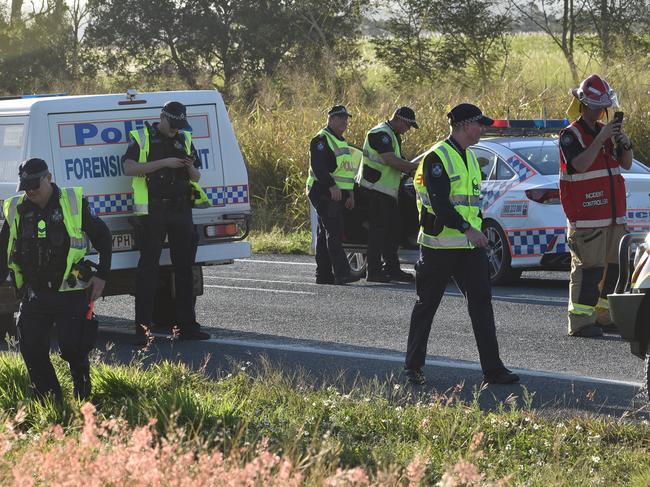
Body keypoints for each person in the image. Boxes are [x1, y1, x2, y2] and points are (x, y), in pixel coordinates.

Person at [403, 103, 519, 386]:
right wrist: (469, 230)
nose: (482, 129)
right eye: (479, 124)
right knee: (426, 306)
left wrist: (475, 230)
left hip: (469, 249)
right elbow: (441, 205)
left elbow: (470, 204)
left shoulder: (469, 157)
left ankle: (493, 370)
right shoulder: (437, 158)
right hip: (439, 247)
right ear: (465, 125)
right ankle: (413, 367)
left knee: (482, 304)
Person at [0, 158, 112, 401]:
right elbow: (2, 250)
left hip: (70, 289)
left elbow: (104, 238)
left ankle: (82, 389)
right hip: (34, 292)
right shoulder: (16, 209)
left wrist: (102, 275)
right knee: (31, 348)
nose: (30, 191)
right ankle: (50, 400)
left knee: (73, 347)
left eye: (34, 185)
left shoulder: (71, 204)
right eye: (25, 186)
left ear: (48, 178)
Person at [124, 101, 211, 340]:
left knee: (184, 269)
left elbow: (196, 176)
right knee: (148, 271)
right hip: (154, 210)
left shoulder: (184, 139)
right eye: (172, 125)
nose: (174, 130)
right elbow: (129, 168)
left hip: (182, 209)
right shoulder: (143, 137)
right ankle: (142, 330)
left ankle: (188, 326)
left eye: (178, 126)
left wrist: (189, 166)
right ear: (162, 117)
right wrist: (164, 163)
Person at [559, 74, 633, 338]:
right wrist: (601, 138)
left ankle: (603, 316)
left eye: (605, 105)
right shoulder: (570, 135)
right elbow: (579, 164)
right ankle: (579, 321)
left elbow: (625, 164)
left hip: (612, 216)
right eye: (599, 105)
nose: (603, 110)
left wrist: (624, 145)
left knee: (613, 268)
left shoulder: (604, 132)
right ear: (585, 105)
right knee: (589, 271)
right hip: (586, 217)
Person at [357, 107, 419, 283]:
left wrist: (409, 169)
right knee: (379, 233)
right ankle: (374, 271)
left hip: (386, 192)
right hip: (375, 190)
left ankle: (392, 270)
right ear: (399, 120)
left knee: (393, 232)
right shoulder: (380, 134)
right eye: (408, 125)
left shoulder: (392, 135)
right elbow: (391, 160)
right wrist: (414, 167)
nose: (408, 130)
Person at [306, 105, 360, 285]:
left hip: (336, 192)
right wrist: (332, 187)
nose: (345, 121)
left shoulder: (340, 141)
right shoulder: (321, 139)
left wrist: (350, 193)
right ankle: (342, 273)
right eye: (340, 118)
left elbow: (346, 171)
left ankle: (323, 275)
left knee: (324, 234)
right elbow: (319, 168)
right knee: (334, 232)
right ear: (330, 119)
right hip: (323, 191)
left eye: (346, 118)